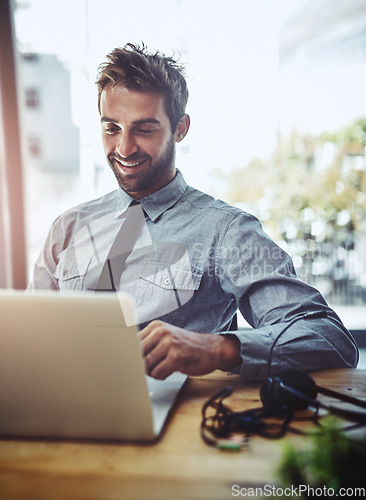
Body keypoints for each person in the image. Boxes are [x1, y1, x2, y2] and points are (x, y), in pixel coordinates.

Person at [28, 43, 358, 381]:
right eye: (112, 128)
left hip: (177, 419)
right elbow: (28, 338)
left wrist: (218, 348)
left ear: (180, 128)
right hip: (62, 410)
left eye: (144, 129)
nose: (124, 148)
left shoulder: (226, 230)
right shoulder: (67, 228)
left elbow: (329, 338)